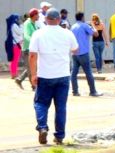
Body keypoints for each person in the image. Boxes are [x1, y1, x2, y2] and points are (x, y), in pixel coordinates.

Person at [29, 8, 78, 145]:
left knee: (41, 103)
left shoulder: (38, 34)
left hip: (44, 75)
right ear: (59, 19)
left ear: (45, 19)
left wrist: (33, 74)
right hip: (63, 75)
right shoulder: (67, 33)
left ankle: (43, 127)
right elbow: (75, 49)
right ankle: (59, 136)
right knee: (60, 107)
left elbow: (32, 55)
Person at [70, 12, 102, 97]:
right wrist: (92, 26)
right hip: (83, 52)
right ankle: (93, 91)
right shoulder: (84, 25)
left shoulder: (73, 26)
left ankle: (75, 91)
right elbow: (96, 34)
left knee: (73, 73)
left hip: (74, 53)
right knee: (88, 72)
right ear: (82, 17)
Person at [15, 9, 39, 90]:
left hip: (32, 48)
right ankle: (33, 86)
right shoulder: (27, 23)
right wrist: (33, 41)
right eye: (37, 14)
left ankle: (19, 79)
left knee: (33, 67)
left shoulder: (34, 24)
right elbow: (26, 36)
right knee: (31, 68)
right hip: (27, 49)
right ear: (34, 15)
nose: (38, 16)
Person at [6, 14, 23, 79]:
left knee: (14, 60)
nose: (18, 20)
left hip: (14, 45)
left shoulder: (12, 25)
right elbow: (20, 32)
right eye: (17, 18)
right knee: (15, 60)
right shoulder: (14, 25)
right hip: (16, 45)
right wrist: (22, 25)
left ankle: (14, 73)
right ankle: (14, 74)